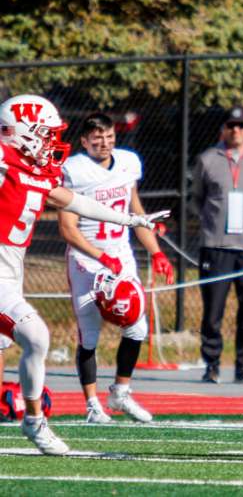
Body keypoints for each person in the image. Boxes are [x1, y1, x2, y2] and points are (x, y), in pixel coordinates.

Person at [0, 94, 167, 454]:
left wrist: (130, 219)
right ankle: (34, 423)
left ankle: (32, 421)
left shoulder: (34, 174)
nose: (51, 142)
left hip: (9, 279)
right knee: (36, 335)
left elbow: (76, 202)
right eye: (45, 134)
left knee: (29, 339)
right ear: (24, 134)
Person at [58, 113, 175, 424]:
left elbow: (135, 212)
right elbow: (68, 229)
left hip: (120, 256)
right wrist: (98, 255)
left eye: (108, 135)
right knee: (89, 333)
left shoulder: (127, 162)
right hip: (86, 260)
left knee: (137, 326)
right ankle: (93, 403)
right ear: (84, 141)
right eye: (96, 137)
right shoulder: (75, 170)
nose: (104, 142)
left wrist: (156, 252)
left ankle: (120, 393)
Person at [193, 105, 243, 385]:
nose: (236, 130)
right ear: (223, 128)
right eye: (231, 125)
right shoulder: (207, 159)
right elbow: (198, 198)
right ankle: (212, 364)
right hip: (216, 245)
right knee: (213, 310)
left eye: (241, 125)